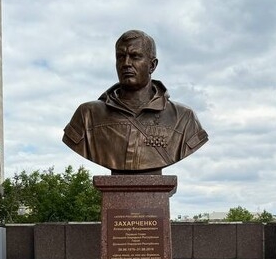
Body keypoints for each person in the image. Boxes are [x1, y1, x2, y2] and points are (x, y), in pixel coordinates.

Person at [62, 30, 208, 173]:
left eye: (135, 56)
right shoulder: (88, 115)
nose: (126, 63)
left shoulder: (184, 118)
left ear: (152, 65)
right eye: (120, 57)